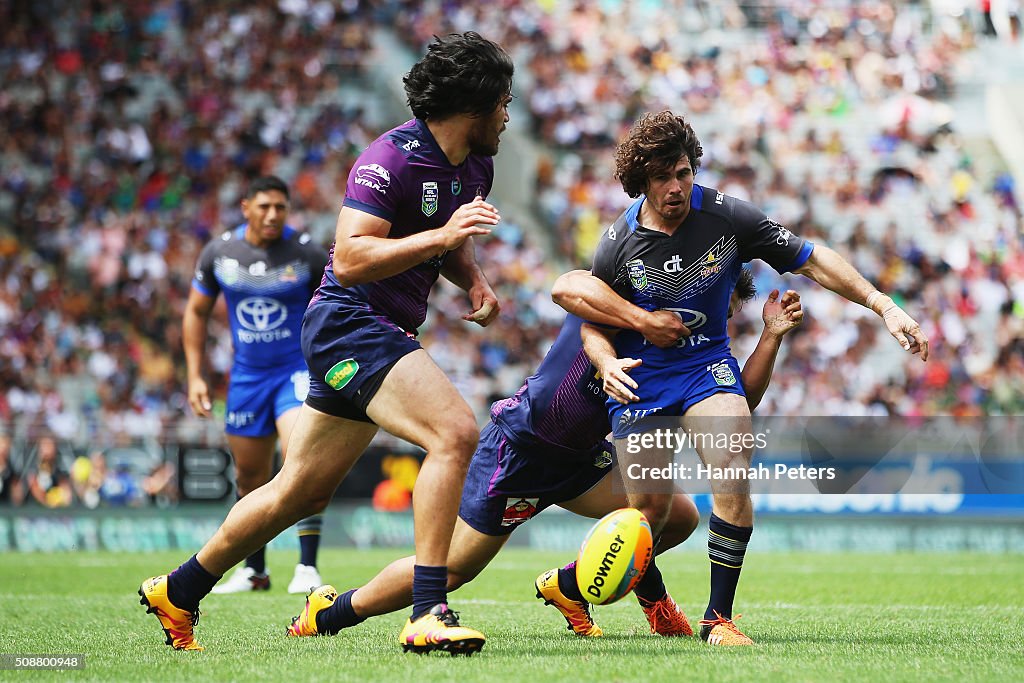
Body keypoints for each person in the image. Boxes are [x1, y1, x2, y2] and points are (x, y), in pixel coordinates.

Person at [139, 32, 514, 654]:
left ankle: (179, 589)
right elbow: (352, 257)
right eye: (504, 100)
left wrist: (471, 275)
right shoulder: (389, 159)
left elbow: (449, 236)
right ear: (475, 103)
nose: (509, 112)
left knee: (299, 490)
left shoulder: (476, 162)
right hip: (349, 324)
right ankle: (428, 610)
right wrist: (442, 236)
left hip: (380, 330)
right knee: (454, 432)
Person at [565, 110, 928, 647]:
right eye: (663, 176)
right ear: (641, 180)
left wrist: (882, 305)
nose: (677, 186)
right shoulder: (618, 243)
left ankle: (719, 619)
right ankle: (589, 589)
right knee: (649, 514)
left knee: (733, 455)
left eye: (684, 171)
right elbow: (591, 324)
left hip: (704, 366)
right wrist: (605, 362)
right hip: (640, 379)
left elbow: (811, 259)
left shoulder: (728, 217)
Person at [284, 268, 803, 641]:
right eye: (718, 311)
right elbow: (570, 287)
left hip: (579, 461)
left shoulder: (693, 347)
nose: (713, 326)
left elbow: (738, 397)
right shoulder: (630, 299)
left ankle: (570, 586)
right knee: (449, 572)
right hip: (520, 449)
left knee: (672, 516)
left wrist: (771, 335)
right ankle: (329, 614)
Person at [183, 175, 330, 595]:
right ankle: (255, 571)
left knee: (301, 456)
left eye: (280, 207)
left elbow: (337, 302)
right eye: (263, 206)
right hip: (246, 377)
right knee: (250, 477)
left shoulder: (306, 254)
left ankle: (307, 568)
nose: (272, 215)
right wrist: (195, 374)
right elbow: (195, 312)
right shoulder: (220, 253)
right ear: (245, 206)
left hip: (296, 371)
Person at [26, 434, 72, 508]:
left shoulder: (59, 470)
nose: (47, 450)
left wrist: (59, 498)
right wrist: (48, 502)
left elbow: (66, 494)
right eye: (45, 446)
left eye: (50, 446)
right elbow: (35, 489)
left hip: (55, 513)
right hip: (33, 512)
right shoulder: (33, 469)